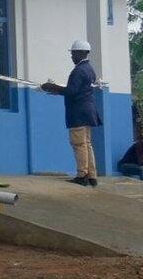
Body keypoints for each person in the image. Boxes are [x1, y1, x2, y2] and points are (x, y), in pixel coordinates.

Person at [40, 40, 103, 187]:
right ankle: (92, 175)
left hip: (78, 113)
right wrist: (56, 90)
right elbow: (79, 90)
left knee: (79, 144)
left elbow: (71, 91)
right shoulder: (90, 69)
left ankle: (82, 175)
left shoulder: (78, 71)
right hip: (88, 111)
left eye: (73, 53)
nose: (72, 56)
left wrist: (52, 86)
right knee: (87, 144)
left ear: (81, 53)